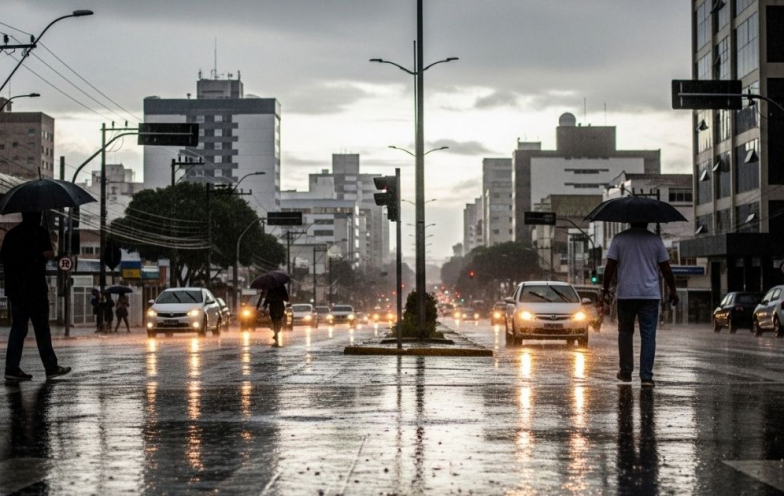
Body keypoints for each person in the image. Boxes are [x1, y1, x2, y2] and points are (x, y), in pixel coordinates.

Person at [603, 222, 678, 388]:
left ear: (630, 220)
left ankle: (626, 372)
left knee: (625, 333)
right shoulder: (656, 240)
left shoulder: (619, 239)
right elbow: (666, 268)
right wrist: (673, 290)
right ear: (648, 221)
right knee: (648, 336)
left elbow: (610, 267)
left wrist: (604, 288)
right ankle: (646, 377)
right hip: (650, 295)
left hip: (626, 294)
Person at [2, 211, 70, 381]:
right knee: (41, 329)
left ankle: (11, 368)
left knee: (18, 327)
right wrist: (47, 248)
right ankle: (51, 367)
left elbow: (4, 258)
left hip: (16, 289)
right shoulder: (40, 232)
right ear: (38, 217)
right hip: (35, 289)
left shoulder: (11, 235)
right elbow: (49, 254)